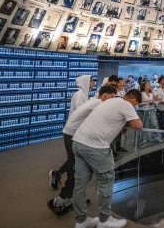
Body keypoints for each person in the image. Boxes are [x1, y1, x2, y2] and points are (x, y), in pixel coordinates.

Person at [72, 89, 143, 228]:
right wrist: (128, 122)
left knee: (80, 184)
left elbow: (109, 120)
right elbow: (138, 124)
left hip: (78, 142)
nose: (134, 108)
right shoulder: (126, 104)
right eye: (135, 105)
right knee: (106, 181)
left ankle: (81, 222)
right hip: (96, 146)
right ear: (134, 101)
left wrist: (122, 124)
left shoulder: (111, 101)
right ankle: (104, 221)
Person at [48, 85, 117, 215]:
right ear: (105, 95)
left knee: (77, 169)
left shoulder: (94, 100)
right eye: (112, 97)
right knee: (75, 170)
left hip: (74, 135)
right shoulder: (98, 103)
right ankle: (59, 201)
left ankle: (70, 198)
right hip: (73, 136)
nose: (112, 102)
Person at [49, 75, 95, 190]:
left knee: (73, 159)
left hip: (75, 132)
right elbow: (82, 112)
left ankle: (66, 183)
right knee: (73, 159)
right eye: (91, 80)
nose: (93, 82)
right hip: (71, 132)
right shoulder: (80, 95)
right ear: (85, 82)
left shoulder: (84, 95)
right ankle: (58, 174)